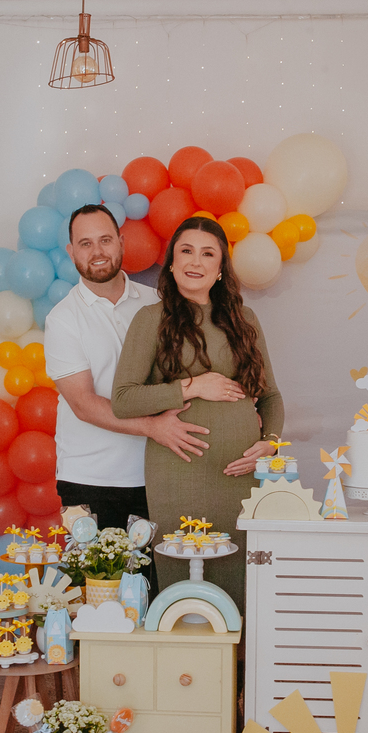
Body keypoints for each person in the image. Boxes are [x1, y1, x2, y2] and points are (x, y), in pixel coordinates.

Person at [111, 216, 283, 613]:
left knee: (239, 573)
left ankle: (238, 669)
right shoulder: (150, 320)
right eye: (186, 250)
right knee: (183, 574)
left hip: (241, 475)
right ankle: (185, 672)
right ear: (171, 262)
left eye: (208, 254)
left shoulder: (246, 320)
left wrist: (270, 444)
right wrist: (193, 385)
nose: (196, 261)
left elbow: (271, 397)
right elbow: (123, 399)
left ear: (221, 269)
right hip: (179, 470)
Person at [44, 204, 210, 534]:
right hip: (89, 479)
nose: (97, 252)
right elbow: (83, 404)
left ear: (121, 242)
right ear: (71, 251)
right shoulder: (63, 319)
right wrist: (154, 427)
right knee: (94, 584)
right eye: (85, 243)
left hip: (157, 472)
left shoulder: (158, 303)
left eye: (105, 240)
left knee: (154, 584)